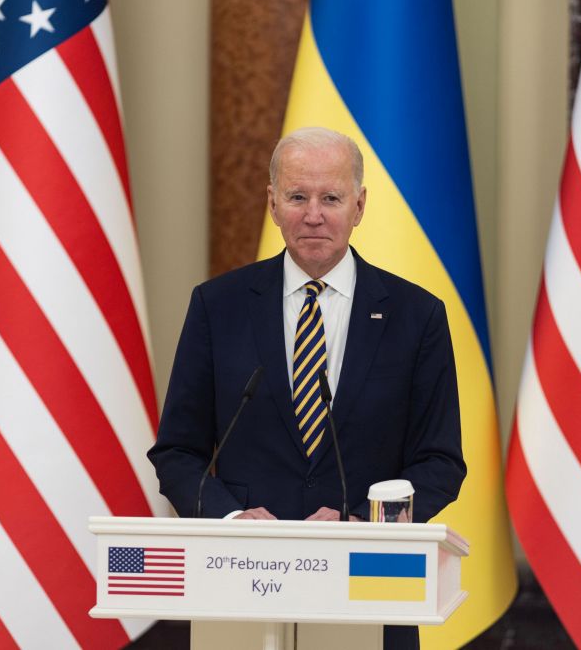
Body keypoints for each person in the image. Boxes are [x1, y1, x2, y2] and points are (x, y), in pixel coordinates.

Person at [148, 127, 465, 648]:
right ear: (273, 204)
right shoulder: (218, 307)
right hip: (243, 587)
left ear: (359, 206)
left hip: (369, 589)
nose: (313, 215)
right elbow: (178, 452)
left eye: (331, 198)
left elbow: (440, 463)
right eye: (297, 197)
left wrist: (364, 522)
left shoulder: (417, 316)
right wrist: (231, 518)